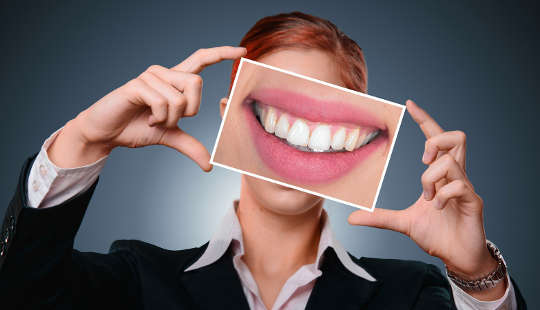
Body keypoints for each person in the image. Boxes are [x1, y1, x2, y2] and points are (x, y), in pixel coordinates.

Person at [0, 11, 526, 310]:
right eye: (276, 98)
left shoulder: (413, 294)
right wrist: (83, 142)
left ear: (369, 132)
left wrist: (476, 272)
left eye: (332, 109)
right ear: (229, 116)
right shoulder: (137, 280)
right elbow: (22, 295)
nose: (307, 129)